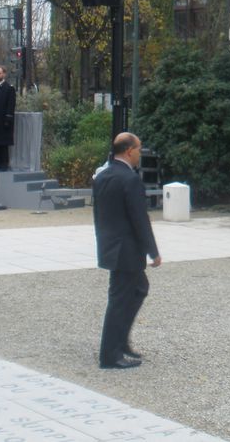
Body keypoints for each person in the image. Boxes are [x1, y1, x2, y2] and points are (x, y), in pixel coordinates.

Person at [93, 132, 161, 369]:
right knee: (120, 300)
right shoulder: (129, 179)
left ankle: (120, 342)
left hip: (111, 245)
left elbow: (98, 215)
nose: (140, 153)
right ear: (129, 151)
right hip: (126, 248)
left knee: (139, 288)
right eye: (139, 149)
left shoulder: (103, 176)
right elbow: (139, 219)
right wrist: (153, 251)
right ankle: (110, 354)